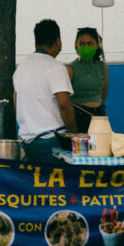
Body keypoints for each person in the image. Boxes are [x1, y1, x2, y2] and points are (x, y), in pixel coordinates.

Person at [12, 19, 76, 165]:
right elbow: (64, 105)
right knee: (62, 186)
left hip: (27, 142)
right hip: (51, 143)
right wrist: (74, 137)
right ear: (58, 41)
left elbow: (16, 100)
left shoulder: (21, 67)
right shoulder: (56, 67)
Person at [66, 27, 109, 134]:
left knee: (102, 148)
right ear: (76, 45)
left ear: (97, 45)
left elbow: (103, 94)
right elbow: (65, 100)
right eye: (82, 44)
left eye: (90, 44)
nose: (86, 47)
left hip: (99, 115)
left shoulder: (102, 67)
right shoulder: (70, 69)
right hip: (79, 116)